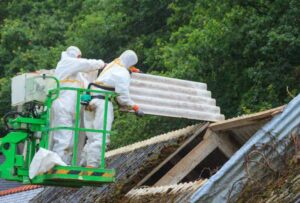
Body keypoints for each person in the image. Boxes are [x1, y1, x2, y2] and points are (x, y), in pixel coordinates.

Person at [80, 50, 144, 168]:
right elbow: (122, 96)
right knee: (101, 136)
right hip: (102, 103)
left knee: (91, 138)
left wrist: (130, 70)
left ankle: (82, 165)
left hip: (90, 101)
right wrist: (134, 106)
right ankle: (92, 166)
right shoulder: (122, 72)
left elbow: (113, 75)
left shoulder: (111, 65)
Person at [51, 46, 106, 164]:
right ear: (75, 55)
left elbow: (88, 86)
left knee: (72, 142)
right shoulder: (65, 63)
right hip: (63, 108)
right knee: (63, 140)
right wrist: (102, 64)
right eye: (79, 57)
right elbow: (86, 64)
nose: (80, 59)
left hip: (74, 110)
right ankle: (58, 166)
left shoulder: (78, 76)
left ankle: (66, 165)